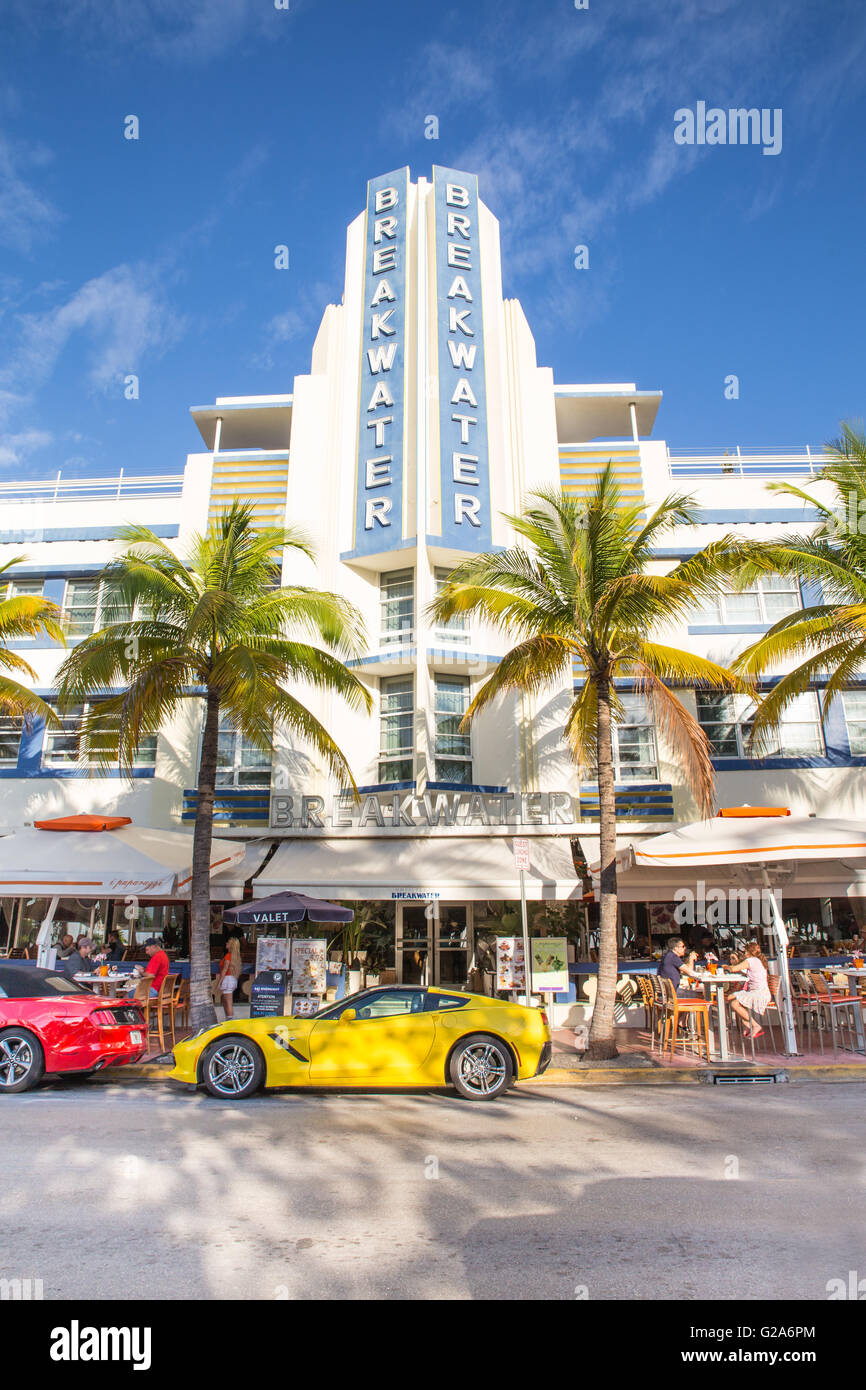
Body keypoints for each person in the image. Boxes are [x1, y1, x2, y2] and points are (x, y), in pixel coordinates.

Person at [727, 940, 772, 1039]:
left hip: (759, 993)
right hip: (760, 991)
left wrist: (725, 967)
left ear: (748, 952)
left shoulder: (751, 960)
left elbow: (734, 969)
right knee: (731, 998)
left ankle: (754, 1025)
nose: (744, 953)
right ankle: (747, 1023)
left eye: (745, 951)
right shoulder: (758, 961)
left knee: (734, 1003)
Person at [217, 930, 242, 1018]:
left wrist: (219, 982)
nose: (226, 943)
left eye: (228, 942)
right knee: (225, 1000)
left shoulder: (228, 956)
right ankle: (228, 1017)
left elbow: (224, 970)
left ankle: (229, 1019)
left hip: (227, 979)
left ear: (231, 945)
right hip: (232, 979)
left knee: (228, 1001)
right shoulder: (235, 956)